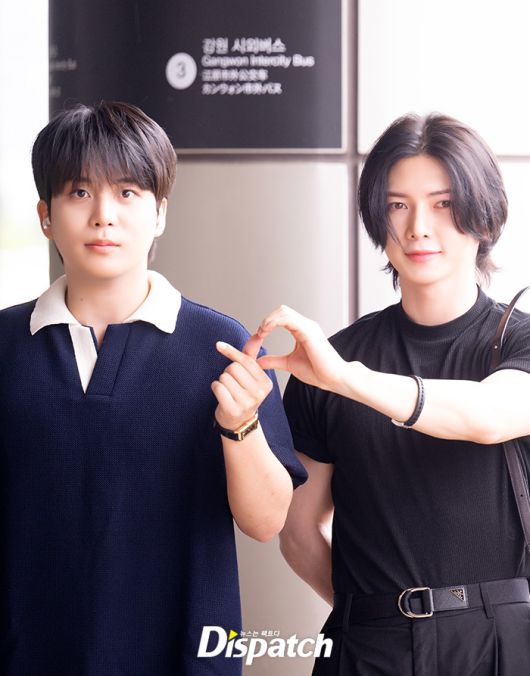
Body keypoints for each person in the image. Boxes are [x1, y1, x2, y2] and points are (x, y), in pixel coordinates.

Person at [0, 101, 306, 675]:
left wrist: (239, 426)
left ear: (160, 212)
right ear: (46, 216)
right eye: (79, 192)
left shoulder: (221, 346)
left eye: (127, 193)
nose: (104, 216)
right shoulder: (6, 347)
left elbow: (267, 522)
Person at [256, 113, 530, 675]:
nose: (418, 227)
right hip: (370, 646)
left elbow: (487, 415)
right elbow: (298, 531)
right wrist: (377, 620)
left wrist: (346, 378)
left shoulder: (518, 341)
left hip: (504, 642)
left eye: (444, 203)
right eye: (398, 205)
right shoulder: (329, 363)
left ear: (485, 212)